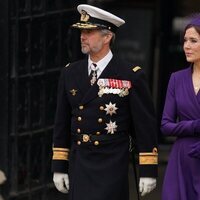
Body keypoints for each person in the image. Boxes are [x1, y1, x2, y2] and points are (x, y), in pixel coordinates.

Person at [52, 4, 158, 200]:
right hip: (80, 160)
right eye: (81, 31)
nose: (82, 36)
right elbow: (62, 122)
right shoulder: (70, 72)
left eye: (89, 31)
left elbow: (144, 126)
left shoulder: (130, 74)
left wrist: (148, 169)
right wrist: (59, 166)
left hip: (111, 162)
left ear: (107, 37)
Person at [161, 13, 200, 200]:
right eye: (185, 40)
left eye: (193, 40)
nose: (186, 46)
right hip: (182, 158)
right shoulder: (176, 79)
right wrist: (195, 126)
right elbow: (165, 125)